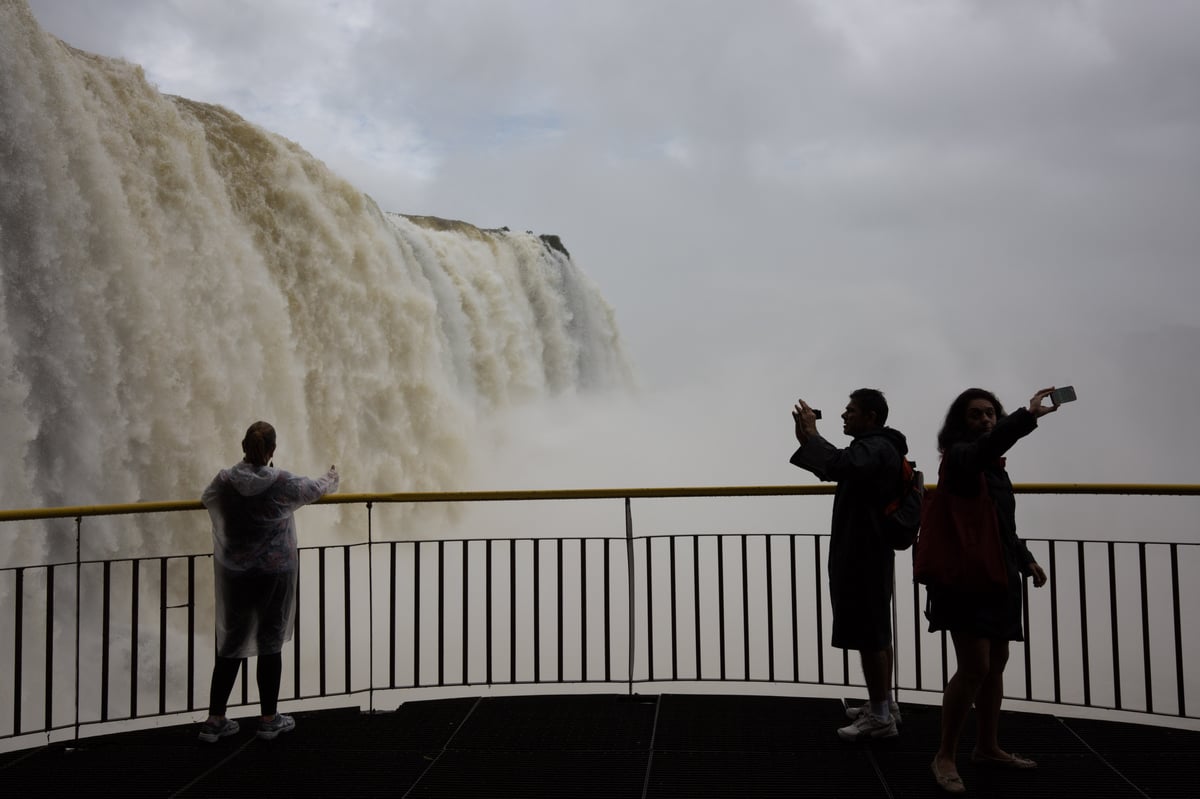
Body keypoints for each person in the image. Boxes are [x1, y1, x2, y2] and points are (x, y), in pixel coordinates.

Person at [927, 388, 1056, 794]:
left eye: (990, 414)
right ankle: (944, 755)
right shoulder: (961, 460)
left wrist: (1025, 558)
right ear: (960, 425)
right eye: (975, 415)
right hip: (965, 580)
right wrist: (1026, 416)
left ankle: (986, 746)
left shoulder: (994, 471)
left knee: (996, 660)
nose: (985, 420)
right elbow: (985, 449)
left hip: (997, 576)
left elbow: (1002, 526)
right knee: (974, 666)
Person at [197, 421, 339, 743]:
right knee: (270, 643)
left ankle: (215, 719)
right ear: (272, 451)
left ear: (243, 445)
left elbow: (208, 498)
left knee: (230, 645)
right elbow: (315, 489)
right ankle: (268, 719)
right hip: (275, 575)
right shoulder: (281, 482)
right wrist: (332, 476)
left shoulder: (225, 480)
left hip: (236, 574)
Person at [791, 388, 909, 741]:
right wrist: (807, 438)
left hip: (864, 550)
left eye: (851, 410)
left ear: (870, 417)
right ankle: (883, 703)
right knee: (875, 628)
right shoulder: (878, 447)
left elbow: (843, 465)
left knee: (869, 631)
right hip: (869, 548)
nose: (844, 415)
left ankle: (880, 716)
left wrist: (812, 435)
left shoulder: (875, 447)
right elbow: (838, 468)